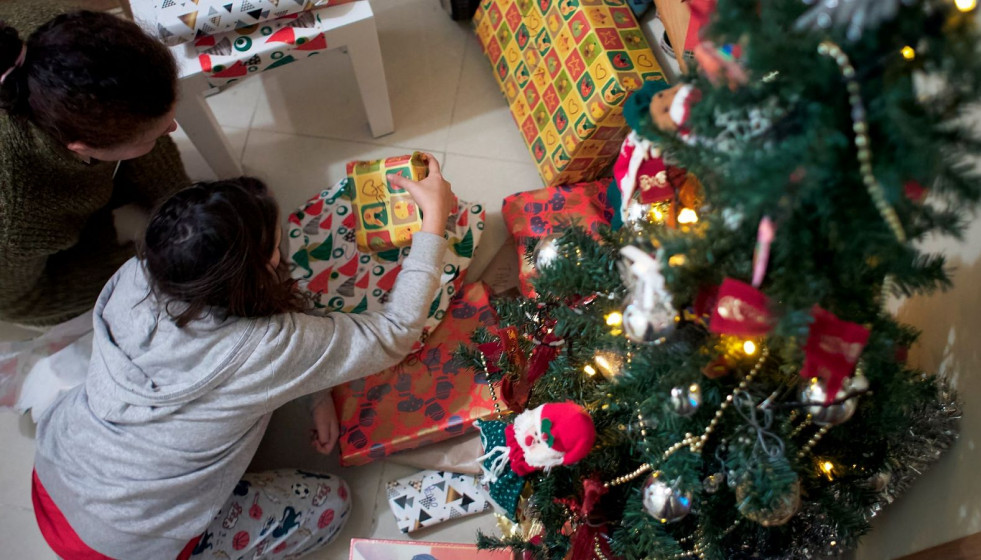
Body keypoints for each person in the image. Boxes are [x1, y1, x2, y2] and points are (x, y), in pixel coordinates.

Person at [31, 154, 455, 559]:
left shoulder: (138, 274)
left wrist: (318, 394)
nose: (281, 253)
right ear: (250, 277)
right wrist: (434, 225)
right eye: (274, 248)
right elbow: (395, 334)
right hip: (125, 544)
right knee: (333, 506)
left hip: (55, 470)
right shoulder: (268, 345)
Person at [0, 4, 190, 327]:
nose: (174, 129)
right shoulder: (18, 212)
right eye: (156, 133)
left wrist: (184, 204)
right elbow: (21, 301)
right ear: (84, 147)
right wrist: (154, 261)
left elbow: (141, 124)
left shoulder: (76, 39)